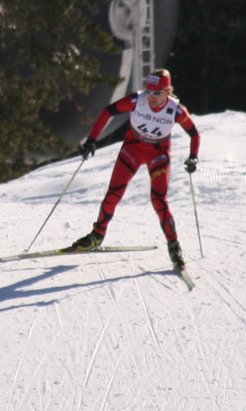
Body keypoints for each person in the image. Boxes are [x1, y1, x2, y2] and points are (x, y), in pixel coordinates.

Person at [69, 69, 200, 271]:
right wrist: (92, 139)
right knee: (113, 194)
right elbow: (108, 111)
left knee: (159, 200)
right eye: (149, 91)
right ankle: (97, 236)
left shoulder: (176, 110)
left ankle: (174, 247)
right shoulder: (136, 100)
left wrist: (193, 157)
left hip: (158, 154)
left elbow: (194, 134)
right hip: (132, 149)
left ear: (167, 91)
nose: (152, 97)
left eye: (157, 93)